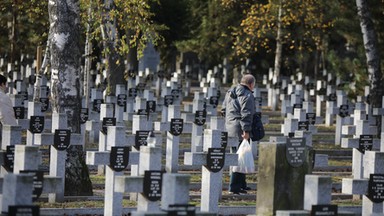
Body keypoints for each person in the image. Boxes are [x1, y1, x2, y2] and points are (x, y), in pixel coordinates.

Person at [221, 73, 256, 195]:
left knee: (240, 155)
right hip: (241, 130)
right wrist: (246, 131)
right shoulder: (247, 95)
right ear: (251, 84)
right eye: (254, 85)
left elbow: (223, 109)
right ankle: (234, 187)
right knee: (239, 158)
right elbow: (246, 114)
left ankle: (242, 184)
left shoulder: (230, 92)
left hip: (230, 128)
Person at [0, 74, 17, 146]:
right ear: (2, 84)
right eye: (5, 85)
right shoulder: (3, 97)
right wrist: (14, 133)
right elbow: (6, 116)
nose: (6, 87)